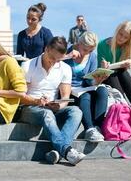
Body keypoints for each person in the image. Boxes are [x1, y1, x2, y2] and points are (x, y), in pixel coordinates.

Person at [18, 36, 85, 166]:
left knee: (76, 111)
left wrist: (59, 106)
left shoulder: (65, 68)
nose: (54, 62)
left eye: (58, 60)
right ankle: (67, 150)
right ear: (46, 49)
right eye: (52, 58)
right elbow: (21, 97)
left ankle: (57, 152)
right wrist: (37, 101)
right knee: (46, 114)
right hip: (29, 108)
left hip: (51, 107)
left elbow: (65, 97)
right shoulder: (28, 65)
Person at [97, 20, 131, 121]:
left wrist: (125, 65)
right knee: (112, 73)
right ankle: (125, 107)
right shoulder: (102, 44)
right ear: (117, 31)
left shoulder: (127, 47)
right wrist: (103, 65)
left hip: (119, 75)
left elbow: (122, 69)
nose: (121, 38)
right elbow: (100, 69)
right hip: (105, 77)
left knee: (122, 72)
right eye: (120, 34)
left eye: (125, 37)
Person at [64, 31, 108, 142]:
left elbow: (89, 80)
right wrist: (67, 56)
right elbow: (53, 62)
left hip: (83, 88)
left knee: (103, 90)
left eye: (90, 50)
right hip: (68, 89)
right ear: (79, 43)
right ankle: (89, 129)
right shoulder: (67, 50)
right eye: (84, 49)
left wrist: (97, 80)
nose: (86, 53)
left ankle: (97, 127)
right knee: (86, 95)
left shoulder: (92, 56)